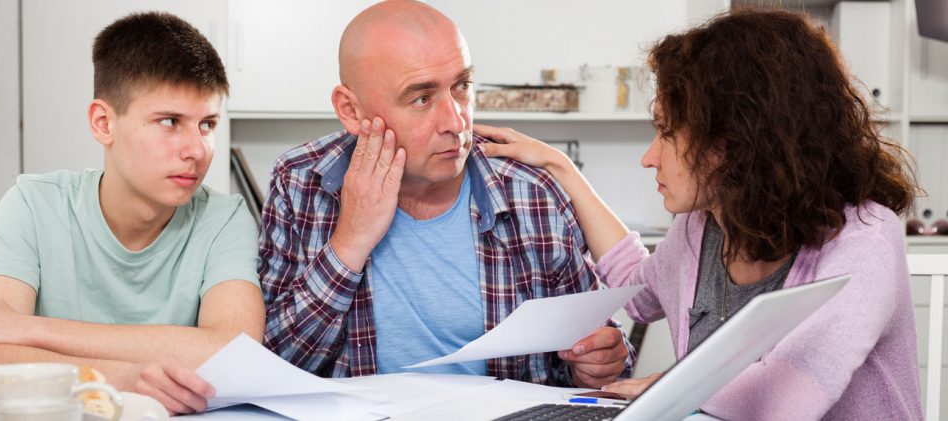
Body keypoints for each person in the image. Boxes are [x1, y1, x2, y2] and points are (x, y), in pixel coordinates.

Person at [475, 8, 922, 420]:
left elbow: (785, 400)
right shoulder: (703, 224)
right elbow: (639, 290)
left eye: (668, 132)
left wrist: (671, 387)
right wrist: (561, 168)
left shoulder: (863, 240)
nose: (649, 158)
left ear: (734, 142)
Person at [258, 0, 633, 388]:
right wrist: (350, 241)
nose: (456, 122)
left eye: (462, 87)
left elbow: (607, 363)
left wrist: (597, 363)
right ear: (351, 111)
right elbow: (268, 363)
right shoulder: (301, 182)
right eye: (421, 98)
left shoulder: (532, 192)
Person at [0, 12, 264, 415]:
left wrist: (27, 329)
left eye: (207, 124)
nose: (197, 151)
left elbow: (237, 351)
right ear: (103, 122)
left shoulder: (226, 218)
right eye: (169, 121)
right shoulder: (33, 204)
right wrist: (113, 377)